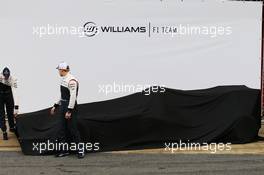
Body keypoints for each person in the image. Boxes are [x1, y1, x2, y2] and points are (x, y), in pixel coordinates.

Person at [50, 62, 85, 159]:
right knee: (62, 129)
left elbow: (73, 97)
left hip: (70, 106)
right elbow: (62, 95)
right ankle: (64, 150)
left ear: (62, 70)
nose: (58, 72)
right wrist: (56, 105)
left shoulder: (72, 80)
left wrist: (69, 110)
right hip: (63, 105)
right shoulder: (63, 79)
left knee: (73, 129)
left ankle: (80, 150)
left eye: (59, 70)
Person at [0, 67, 19, 140]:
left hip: (9, 94)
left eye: (8, 76)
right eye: (5, 76)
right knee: (1, 113)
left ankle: (12, 127)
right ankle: (4, 131)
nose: (6, 77)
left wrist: (16, 107)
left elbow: (16, 92)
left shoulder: (13, 79)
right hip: (0, 95)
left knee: (10, 112)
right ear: (2, 74)